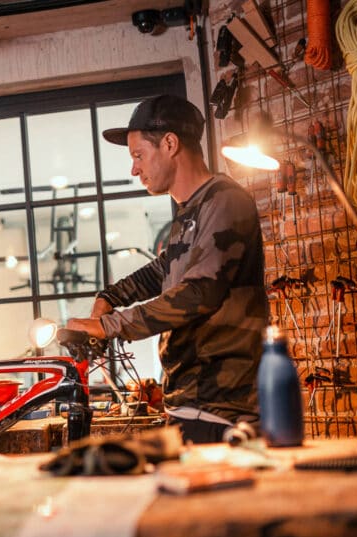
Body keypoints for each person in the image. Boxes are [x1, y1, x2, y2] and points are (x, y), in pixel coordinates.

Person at [64, 95, 269, 444]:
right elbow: (164, 269)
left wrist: (109, 326)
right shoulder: (189, 213)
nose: (134, 169)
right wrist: (109, 297)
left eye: (138, 155)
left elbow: (199, 293)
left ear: (170, 144)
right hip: (190, 403)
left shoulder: (225, 200)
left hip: (221, 408)